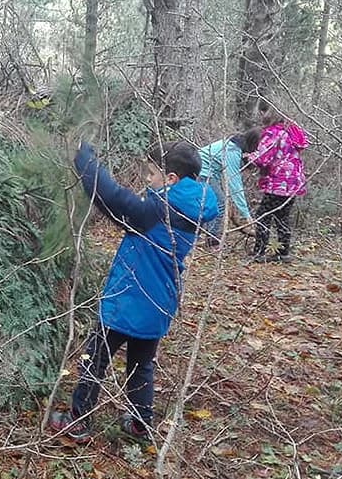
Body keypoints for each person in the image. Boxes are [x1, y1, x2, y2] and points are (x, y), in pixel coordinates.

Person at [49, 141, 218, 443]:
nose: (147, 179)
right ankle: (141, 424)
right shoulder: (192, 211)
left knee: (94, 358)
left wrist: (84, 157)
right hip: (158, 304)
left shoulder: (155, 212)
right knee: (141, 366)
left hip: (127, 302)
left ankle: (79, 420)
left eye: (152, 173)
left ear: (171, 179)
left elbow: (110, 196)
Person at [248, 110, 308, 262]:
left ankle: (259, 253)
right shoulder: (292, 133)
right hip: (294, 181)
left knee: (263, 215)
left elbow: (263, 158)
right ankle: (283, 252)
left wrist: (249, 157)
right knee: (282, 216)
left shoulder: (273, 133)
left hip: (278, 181)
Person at [197, 128, 262, 245]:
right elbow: (234, 185)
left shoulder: (236, 145)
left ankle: (196, 235)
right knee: (219, 203)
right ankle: (212, 239)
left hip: (204, 172)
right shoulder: (232, 150)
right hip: (201, 172)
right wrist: (246, 214)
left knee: (204, 204)